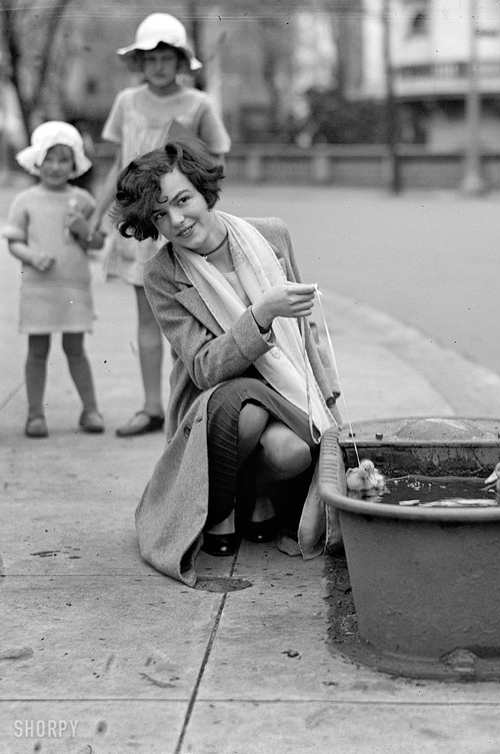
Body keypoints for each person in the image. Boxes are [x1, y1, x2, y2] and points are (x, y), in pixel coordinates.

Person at [111, 140, 341, 585]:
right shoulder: (162, 272)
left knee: (290, 452)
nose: (177, 220)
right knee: (244, 406)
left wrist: (330, 392)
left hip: (285, 392)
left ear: (203, 191)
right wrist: (260, 315)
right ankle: (222, 507)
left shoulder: (270, 234)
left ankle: (253, 495)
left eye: (183, 200)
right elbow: (203, 368)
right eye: (160, 215)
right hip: (213, 403)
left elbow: (305, 329)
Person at [89, 12, 231, 437]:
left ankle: (186, 408)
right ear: (138, 62)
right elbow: (118, 165)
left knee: (188, 318)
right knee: (147, 319)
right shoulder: (127, 102)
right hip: (141, 227)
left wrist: (199, 207)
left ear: (182, 60)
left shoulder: (198, 104)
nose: (158, 65)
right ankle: (152, 406)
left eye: (167, 56)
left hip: (181, 226)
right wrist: (98, 215)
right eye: (149, 57)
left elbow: (216, 161)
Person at [3, 121, 106, 438]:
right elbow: (14, 241)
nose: (56, 167)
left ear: (75, 164)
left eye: (64, 160)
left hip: (73, 288)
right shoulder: (25, 200)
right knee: (37, 350)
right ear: (37, 162)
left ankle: (90, 410)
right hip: (39, 288)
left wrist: (83, 230)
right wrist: (32, 256)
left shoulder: (84, 201)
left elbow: (98, 242)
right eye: (49, 159)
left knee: (76, 349)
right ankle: (35, 415)